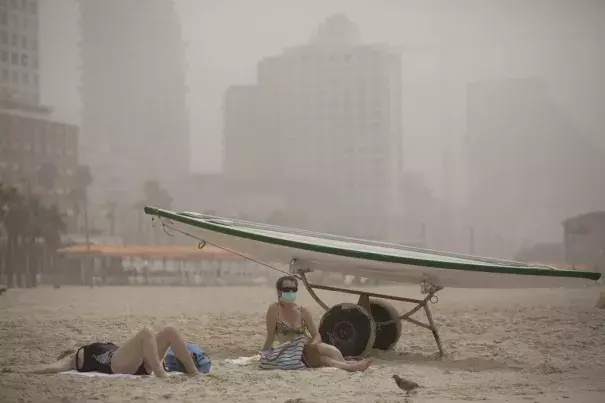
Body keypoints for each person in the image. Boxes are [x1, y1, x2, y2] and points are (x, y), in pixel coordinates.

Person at [262, 275, 372, 372]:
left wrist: (314, 344)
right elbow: (270, 336)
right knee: (324, 358)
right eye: (287, 289)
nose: (290, 292)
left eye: (293, 289)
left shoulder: (302, 311)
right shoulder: (274, 309)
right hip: (289, 351)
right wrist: (264, 354)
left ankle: (347, 364)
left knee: (332, 351)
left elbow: (316, 335)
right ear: (279, 291)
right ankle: (350, 367)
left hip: (306, 345)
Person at [15, 326, 200, 377]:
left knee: (169, 331)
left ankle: (194, 372)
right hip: (116, 365)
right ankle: (160, 375)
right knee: (146, 332)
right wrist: (22, 371)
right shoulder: (73, 359)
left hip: (133, 362)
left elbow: (132, 350)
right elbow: (50, 368)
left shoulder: (95, 348)